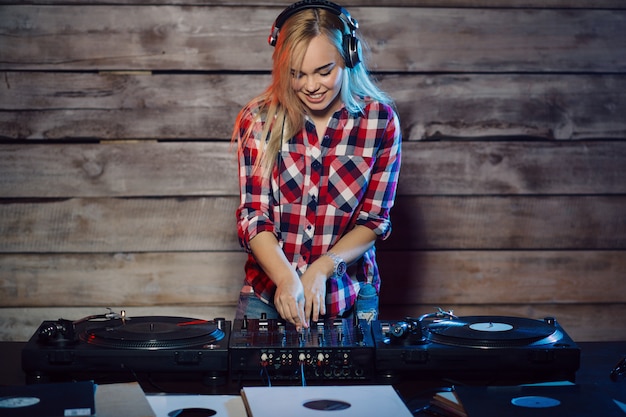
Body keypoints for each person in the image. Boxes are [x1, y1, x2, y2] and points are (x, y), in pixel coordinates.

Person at [232, 1, 402, 331]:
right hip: (266, 300)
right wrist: (286, 279)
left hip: (348, 302)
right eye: (296, 74)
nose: (310, 86)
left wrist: (322, 267)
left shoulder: (380, 123)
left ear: (349, 58)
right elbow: (254, 215)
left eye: (324, 71)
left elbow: (374, 220)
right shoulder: (258, 120)